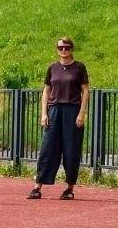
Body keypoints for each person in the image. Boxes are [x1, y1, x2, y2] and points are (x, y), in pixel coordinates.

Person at [26, 37, 89, 201]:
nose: (64, 50)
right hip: (54, 111)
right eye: (60, 47)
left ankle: (69, 188)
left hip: (72, 110)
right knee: (47, 148)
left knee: (71, 149)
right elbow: (46, 91)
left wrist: (81, 114)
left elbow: (86, 91)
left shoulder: (79, 68)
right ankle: (37, 186)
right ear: (57, 49)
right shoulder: (52, 68)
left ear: (72, 49)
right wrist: (44, 114)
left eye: (67, 47)